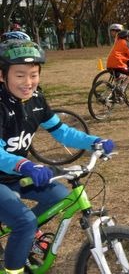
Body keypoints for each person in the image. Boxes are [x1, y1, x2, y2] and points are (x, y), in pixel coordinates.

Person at [0, 39, 114, 273]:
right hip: (7, 175)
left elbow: (62, 131)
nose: (28, 82)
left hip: (16, 175)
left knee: (62, 196)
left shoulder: (37, 100)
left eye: (33, 75)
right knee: (25, 221)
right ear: (2, 76)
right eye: (19, 75)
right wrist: (26, 165)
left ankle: (23, 235)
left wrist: (94, 142)